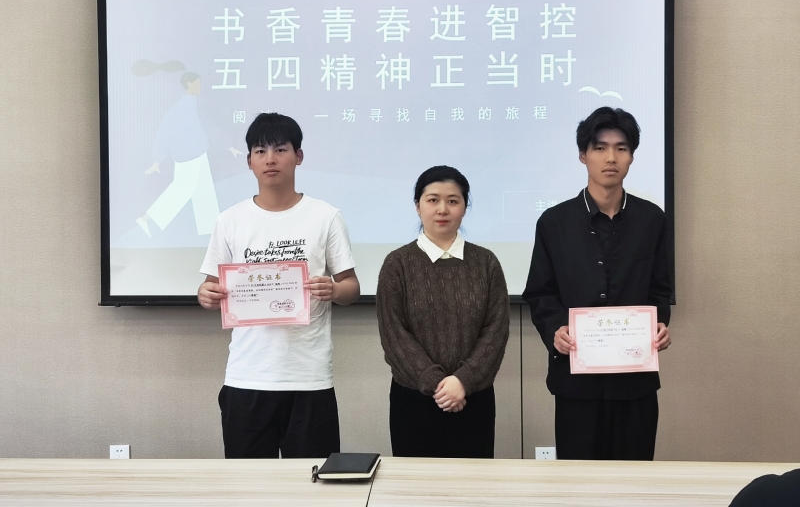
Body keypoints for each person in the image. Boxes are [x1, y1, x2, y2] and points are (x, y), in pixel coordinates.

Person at [197, 112, 360, 458]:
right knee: (249, 482)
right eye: (260, 151)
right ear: (249, 161)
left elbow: (351, 286)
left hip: (309, 377)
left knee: (312, 480)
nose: (270, 159)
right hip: (247, 376)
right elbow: (210, 287)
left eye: (280, 149)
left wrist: (334, 290)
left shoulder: (325, 216)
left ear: (298, 156)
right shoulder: (229, 220)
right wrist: (206, 295)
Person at [522, 106, 672, 461]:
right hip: (576, 382)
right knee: (579, 481)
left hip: (634, 381)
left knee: (634, 478)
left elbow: (660, 289)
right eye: (600, 148)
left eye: (621, 148)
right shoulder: (554, 222)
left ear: (632, 156)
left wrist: (660, 324)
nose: (611, 158)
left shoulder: (652, 219)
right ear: (583, 155)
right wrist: (556, 330)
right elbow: (540, 292)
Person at [376, 165, 510, 459]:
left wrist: (463, 381)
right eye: (433, 200)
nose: (442, 209)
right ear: (418, 206)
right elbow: (394, 334)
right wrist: (437, 384)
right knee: (417, 484)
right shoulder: (397, 264)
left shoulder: (486, 263)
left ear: (464, 207)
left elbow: (496, 330)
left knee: (473, 483)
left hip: (472, 398)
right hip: (414, 401)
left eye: (453, 201)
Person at [137, 72, 221, 238]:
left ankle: (212, 232)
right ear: (189, 84)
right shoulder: (182, 107)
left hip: (198, 153)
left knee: (204, 192)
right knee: (183, 189)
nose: (199, 86)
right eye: (197, 83)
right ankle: (148, 219)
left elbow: (204, 127)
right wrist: (158, 159)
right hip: (188, 155)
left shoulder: (194, 105)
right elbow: (165, 131)